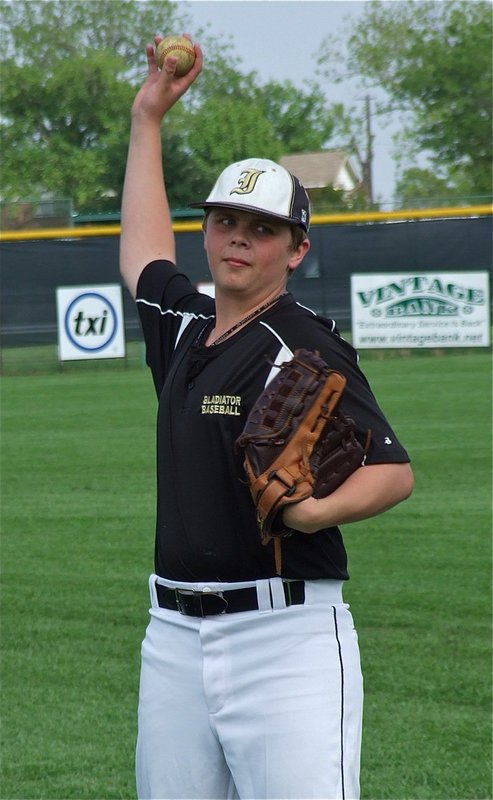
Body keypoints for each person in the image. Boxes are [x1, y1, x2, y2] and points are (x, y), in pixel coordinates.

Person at [120, 35, 414, 800]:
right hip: (173, 639)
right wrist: (148, 118)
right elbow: (144, 254)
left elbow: (392, 471)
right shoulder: (184, 327)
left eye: (260, 228)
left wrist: (316, 513)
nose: (236, 239)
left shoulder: (304, 345)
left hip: (282, 641)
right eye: (223, 223)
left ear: (296, 249)